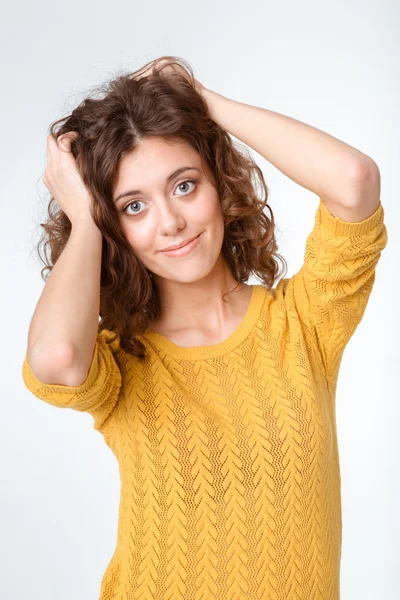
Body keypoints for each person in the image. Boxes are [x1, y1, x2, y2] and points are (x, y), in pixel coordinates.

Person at [22, 55, 387, 600]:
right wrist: (83, 214)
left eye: (185, 186)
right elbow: (53, 356)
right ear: (112, 227)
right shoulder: (121, 361)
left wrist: (201, 101)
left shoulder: (300, 324)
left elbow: (355, 182)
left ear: (218, 183)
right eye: (133, 206)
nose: (170, 222)